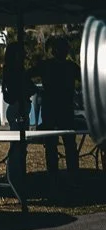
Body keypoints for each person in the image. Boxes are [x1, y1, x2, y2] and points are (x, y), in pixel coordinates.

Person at [28, 36, 81, 186]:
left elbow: (28, 74)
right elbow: (28, 74)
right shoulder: (61, 66)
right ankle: (60, 174)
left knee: (65, 143)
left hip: (59, 109)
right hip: (56, 109)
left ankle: (65, 174)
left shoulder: (64, 66)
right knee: (57, 143)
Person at [1, 41, 37, 211]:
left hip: (18, 106)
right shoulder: (15, 71)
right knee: (18, 146)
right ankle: (15, 179)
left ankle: (14, 178)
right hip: (18, 107)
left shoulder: (10, 70)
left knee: (18, 146)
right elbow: (28, 88)